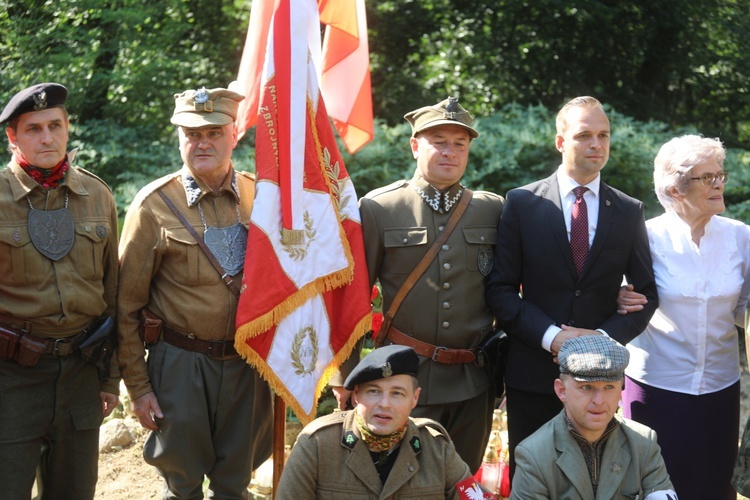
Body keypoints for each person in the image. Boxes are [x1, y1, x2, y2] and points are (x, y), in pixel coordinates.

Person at [484, 96, 658, 478]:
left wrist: (597, 339)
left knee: (595, 480)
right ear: (561, 141)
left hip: (600, 384)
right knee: (533, 477)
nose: (596, 144)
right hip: (533, 370)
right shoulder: (523, 202)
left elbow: (647, 295)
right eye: (584, 135)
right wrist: (553, 338)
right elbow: (500, 290)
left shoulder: (628, 210)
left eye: (603, 135)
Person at [330, 96, 505, 472]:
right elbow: (354, 296)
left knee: (463, 481)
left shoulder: (493, 209)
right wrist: (344, 376)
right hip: (403, 381)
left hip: (473, 381)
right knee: (400, 481)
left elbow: (511, 289)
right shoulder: (380, 208)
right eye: (438, 141)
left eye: (460, 143)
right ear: (415, 146)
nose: (450, 151)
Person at [117, 86, 273, 498]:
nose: (202, 142)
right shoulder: (153, 205)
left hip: (248, 366)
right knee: (182, 484)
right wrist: (139, 388)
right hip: (180, 364)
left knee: (235, 482)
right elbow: (125, 307)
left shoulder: (263, 197)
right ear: (180, 138)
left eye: (214, 133)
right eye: (192, 134)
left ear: (234, 134)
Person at [0, 83, 120, 499]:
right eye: (33, 128)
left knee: (74, 492)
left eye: (55, 125)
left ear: (68, 128)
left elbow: (113, 295)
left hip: (81, 373)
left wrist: (111, 378)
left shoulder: (97, 195)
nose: (47, 137)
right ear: (13, 137)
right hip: (11, 377)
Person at [618, 135, 750, 500]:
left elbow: (746, 315)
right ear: (675, 189)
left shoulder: (741, 237)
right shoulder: (643, 238)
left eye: (720, 174)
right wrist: (617, 296)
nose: (720, 183)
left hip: (721, 390)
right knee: (653, 489)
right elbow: (615, 304)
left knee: (712, 488)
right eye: (708, 177)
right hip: (654, 389)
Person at [278, 344, 486, 499]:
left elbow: (474, 496)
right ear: (356, 395)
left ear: (415, 398)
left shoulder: (436, 448)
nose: (384, 404)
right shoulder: (318, 444)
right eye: (374, 391)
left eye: (397, 393)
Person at [511, 335, 676, 499]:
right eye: (586, 387)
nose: (599, 401)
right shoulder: (534, 455)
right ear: (561, 390)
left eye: (609, 387)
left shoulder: (643, 443)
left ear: (621, 391)